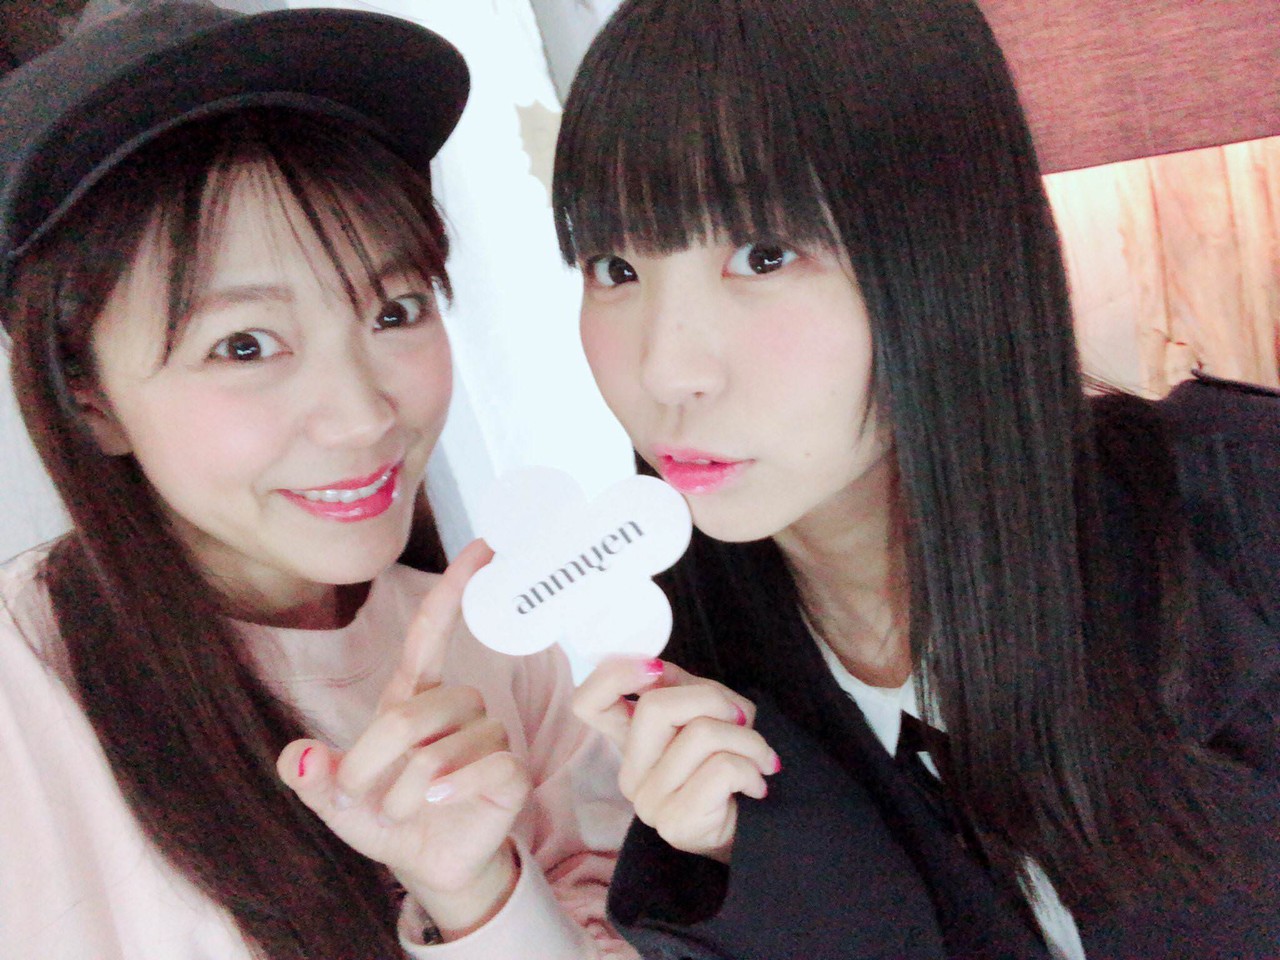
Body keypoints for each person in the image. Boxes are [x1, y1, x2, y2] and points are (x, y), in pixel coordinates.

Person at [551, 0, 1280, 957]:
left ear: (950, 250)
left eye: (762, 255)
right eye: (613, 267)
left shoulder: (1237, 514)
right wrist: (755, 862)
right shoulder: (693, 705)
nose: (664, 370)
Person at [0, 3, 632, 958]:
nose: (364, 415)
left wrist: (478, 900)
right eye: (244, 345)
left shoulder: (499, 653)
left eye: (395, 310)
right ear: (88, 398)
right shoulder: (26, 709)